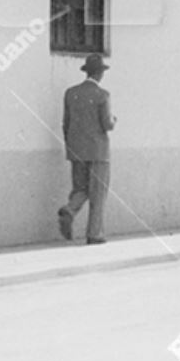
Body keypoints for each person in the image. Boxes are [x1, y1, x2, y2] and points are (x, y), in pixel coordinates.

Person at [58, 54, 115, 245]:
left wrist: (70, 146)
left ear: (86, 72)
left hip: (76, 149)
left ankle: (70, 208)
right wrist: (114, 120)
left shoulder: (70, 93)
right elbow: (106, 124)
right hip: (98, 151)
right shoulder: (102, 95)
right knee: (98, 194)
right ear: (100, 73)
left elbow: (65, 124)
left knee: (80, 188)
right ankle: (94, 234)